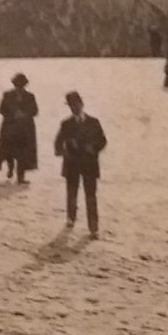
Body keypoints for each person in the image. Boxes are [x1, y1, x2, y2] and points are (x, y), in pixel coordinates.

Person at [53, 91, 107, 236]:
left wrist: (93, 147)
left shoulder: (94, 122)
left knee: (91, 196)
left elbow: (102, 141)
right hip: (72, 164)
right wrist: (65, 152)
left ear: (82, 104)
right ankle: (71, 218)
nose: (74, 108)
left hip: (90, 164)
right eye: (71, 106)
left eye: (76, 104)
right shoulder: (66, 124)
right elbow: (58, 144)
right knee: (72, 193)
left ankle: (93, 227)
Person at [0, 73, 39, 183]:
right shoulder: (7, 95)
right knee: (9, 151)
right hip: (10, 128)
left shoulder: (30, 97)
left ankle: (20, 177)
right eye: (17, 85)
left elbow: (35, 111)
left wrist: (24, 114)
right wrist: (13, 114)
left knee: (22, 154)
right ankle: (10, 169)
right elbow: (1, 109)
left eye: (21, 85)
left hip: (24, 130)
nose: (19, 87)